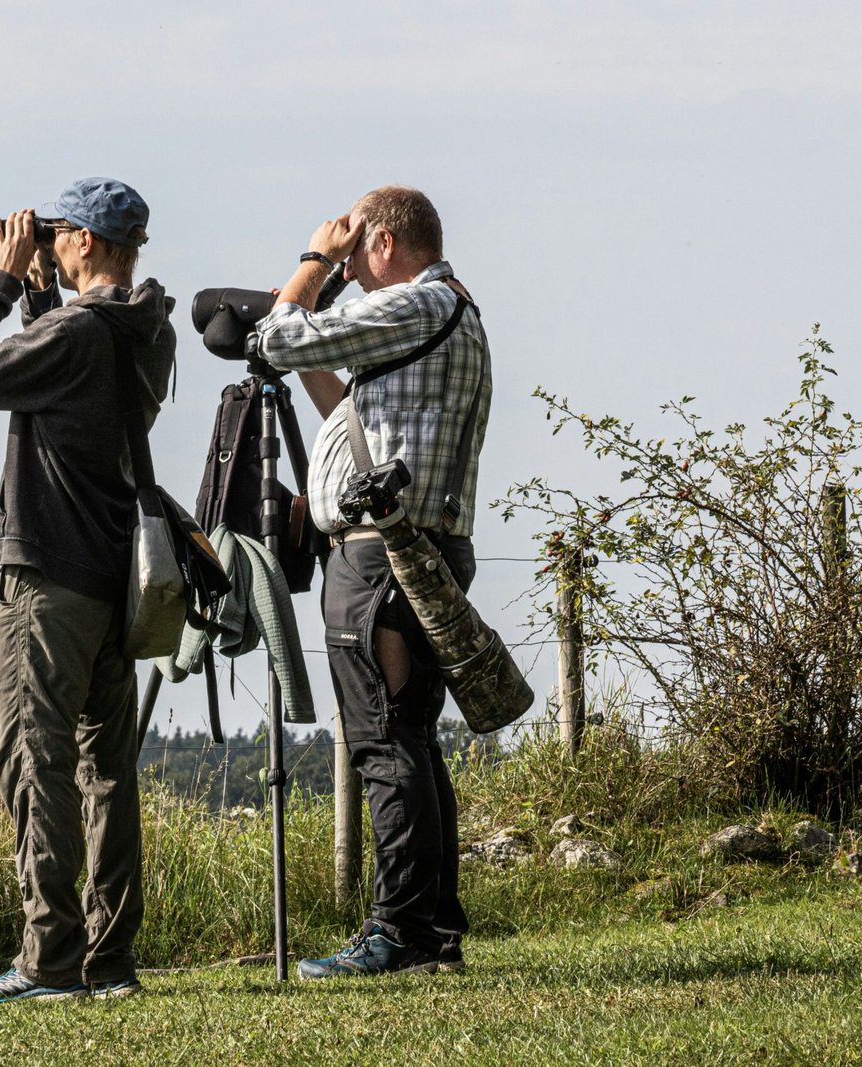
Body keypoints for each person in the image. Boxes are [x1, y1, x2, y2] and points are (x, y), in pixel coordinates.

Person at [0, 177, 176, 1003]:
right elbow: (77, 391)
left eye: (58, 231)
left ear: (84, 241)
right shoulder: (145, 329)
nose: (47, 240)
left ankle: (50, 960)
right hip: (115, 579)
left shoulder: (77, 330)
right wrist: (45, 300)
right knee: (108, 770)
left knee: (36, 763)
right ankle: (110, 960)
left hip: (48, 577)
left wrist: (2, 283)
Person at [254, 185, 491, 978]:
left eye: (358, 251)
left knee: (384, 741)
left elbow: (277, 340)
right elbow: (350, 409)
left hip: (380, 560)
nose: (351, 269)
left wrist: (311, 261)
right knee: (414, 740)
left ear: (385, 241)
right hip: (423, 554)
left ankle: (400, 931)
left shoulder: (418, 306)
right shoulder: (452, 312)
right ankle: (434, 929)